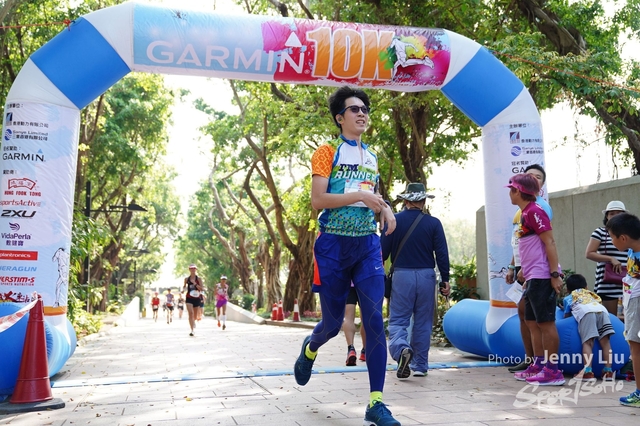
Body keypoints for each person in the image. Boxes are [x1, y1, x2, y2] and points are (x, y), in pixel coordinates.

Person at [293, 85, 399, 426]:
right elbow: (318, 200)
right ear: (340, 118)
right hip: (333, 247)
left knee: (374, 320)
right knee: (332, 324)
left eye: (365, 109)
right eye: (355, 109)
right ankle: (311, 347)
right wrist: (360, 197)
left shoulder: (372, 156)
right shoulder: (327, 152)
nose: (362, 113)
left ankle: (376, 402)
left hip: (367, 245)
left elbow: (371, 195)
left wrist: (385, 208)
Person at [381, 182, 450, 378]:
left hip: (402, 276)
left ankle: (401, 348)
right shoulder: (434, 223)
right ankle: (420, 366)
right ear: (424, 201)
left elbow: (381, 252)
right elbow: (442, 254)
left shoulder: (393, 220)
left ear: (406, 201)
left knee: (399, 320)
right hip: (427, 276)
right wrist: (445, 279)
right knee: (423, 322)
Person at [507, 173, 565, 386]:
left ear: (519, 191)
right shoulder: (525, 213)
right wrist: (523, 270)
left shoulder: (535, 211)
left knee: (546, 323)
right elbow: (532, 246)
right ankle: (538, 365)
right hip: (532, 276)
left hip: (542, 276)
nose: (509, 193)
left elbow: (550, 242)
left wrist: (554, 274)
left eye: (511, 189)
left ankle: (552, 371)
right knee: (532, 322)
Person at [605, 212, 640, 407]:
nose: (611, 241)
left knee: (635, 346)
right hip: (632, 300)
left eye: (612, 237)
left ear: (624, 238)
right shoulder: (632, 251)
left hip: (637, 302)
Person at [562, 273, 615, 381]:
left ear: (567, 289)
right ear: (586, 287)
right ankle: (608, 371)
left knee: (588, 342)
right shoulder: (591, 294)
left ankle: (587, 372)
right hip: (602, 311)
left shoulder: (569, 297)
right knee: (605, 342)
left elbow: (566, 317)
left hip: (586, 312)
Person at [585, 200, 628, 315]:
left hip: (629, 283)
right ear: (607, 217)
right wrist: (611, 259)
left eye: (619, 213)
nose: (615, 216)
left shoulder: (631, 233)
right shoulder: (600, 232)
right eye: (612, 213)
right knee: (611, 320)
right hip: (607, 285)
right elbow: (589, 253)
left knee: (631, 320)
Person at [343, 285, 366, 365]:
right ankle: (365, 351)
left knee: (348, 317)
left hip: (348, 284)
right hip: (363, 283)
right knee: (365, 319)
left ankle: (351, 349)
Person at [183, 264, 203, 336]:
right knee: (190, 313)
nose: (193, 270)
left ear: (196, 269)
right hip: (189, 297)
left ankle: (194, 321)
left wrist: (195, 284)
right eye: (191, 268)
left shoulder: (199, 279)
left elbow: (202, 289)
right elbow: (184, 287)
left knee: (194, 315)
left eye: (194, 268)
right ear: (189, 270)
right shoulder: (186, 279)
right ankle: (192, 330)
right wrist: (183, 290)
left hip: (197, 298)